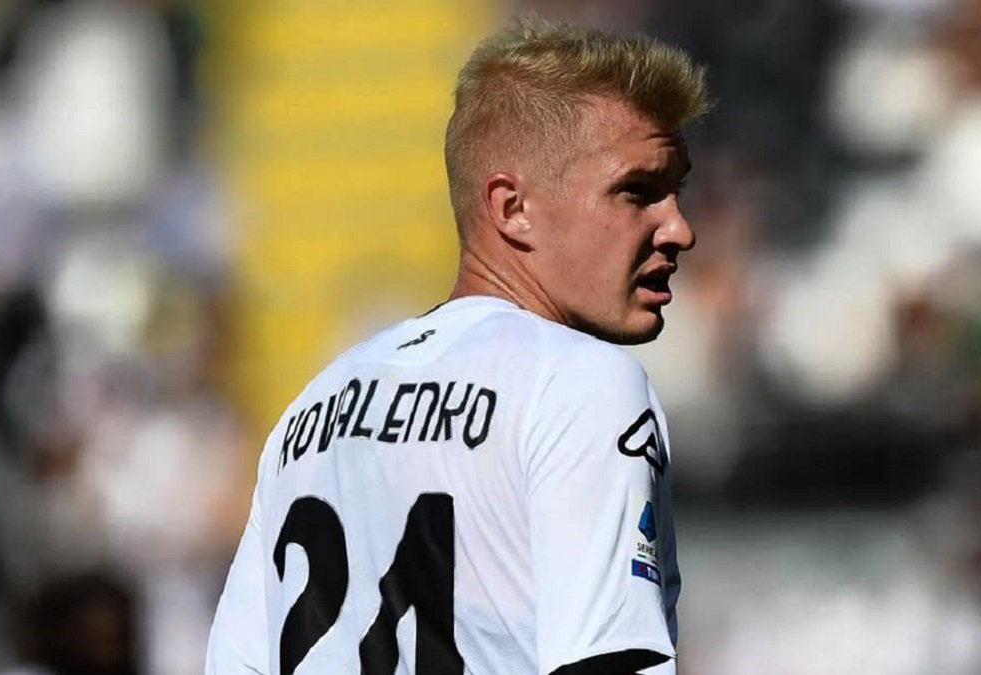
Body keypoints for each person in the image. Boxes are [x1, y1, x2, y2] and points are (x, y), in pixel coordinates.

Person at [206, 18, 707, 675]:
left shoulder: (306, 416)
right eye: (636, 191)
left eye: (676, 191)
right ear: (512, 207)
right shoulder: (581, 384)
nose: (679, 228)